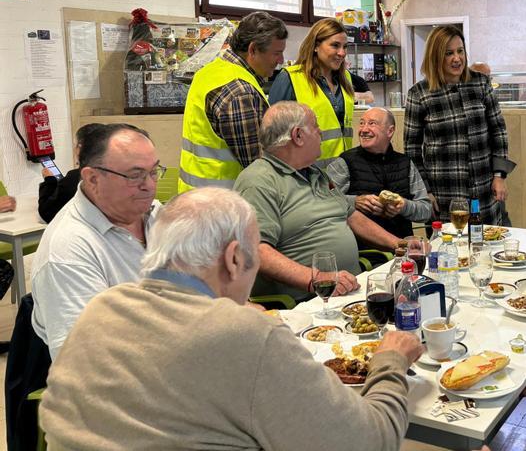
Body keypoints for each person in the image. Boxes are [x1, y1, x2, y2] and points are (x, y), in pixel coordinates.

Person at [39, 187, 424, 450]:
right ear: (234, 258)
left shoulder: (101, 309)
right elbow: (368, 442)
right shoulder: (247, 335)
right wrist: (390, 362)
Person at [234, 102, 401, 301]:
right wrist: (319, 280)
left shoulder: (315, 173)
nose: (320, 132)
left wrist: (399, 244)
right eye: (315, 127)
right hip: (307, 300)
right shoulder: (258, 181)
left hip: (351, 288)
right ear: (297, 136)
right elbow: (257, 251)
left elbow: (351, 216)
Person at [31, 124, 162, 359]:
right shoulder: (68, 250)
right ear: (92, 179)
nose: (150, 185)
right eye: (135, 176)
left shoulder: (154, 213)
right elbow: (86, 361)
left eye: (153, 172)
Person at [404, 26, 514, 224]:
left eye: (460, 51)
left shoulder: (481, 83)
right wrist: (424, 191)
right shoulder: (419, 94)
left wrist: (500, 176)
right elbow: (411, 150)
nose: (457, 58)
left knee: (489, 243)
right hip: (444, 192)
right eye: (449, 53)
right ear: (436, 56)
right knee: (450, 249)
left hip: (484, 187)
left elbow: (499, 131)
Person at [178, 11, 288, 192]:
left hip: (195, 199)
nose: (281, 61)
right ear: (253, 49)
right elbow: (258, 169)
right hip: (224, 206)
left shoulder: (209, 72)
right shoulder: (240, 92)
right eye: (277, 53)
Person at [326, 107, 432, 240]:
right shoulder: (344, 162)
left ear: (390, 131)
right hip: (363, 253)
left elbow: (426, 211)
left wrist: (403, 206)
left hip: (402, 250)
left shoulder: (405, 163)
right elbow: (323, 203)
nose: (364, 130)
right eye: (362, 123)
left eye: (372, 123)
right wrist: (354, 202)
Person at [269, 18, 354, 167]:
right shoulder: (291, 78)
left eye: (345, 47)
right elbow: (273, 137)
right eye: (335, 45)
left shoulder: (345, 79)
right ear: (315, 46)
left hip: (342, 175)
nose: (342, 53)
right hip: (306, 176)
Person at [38, 123, 106, 223]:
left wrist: (49, 180)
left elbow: (47, 213)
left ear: (80, 147)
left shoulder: (76, 178)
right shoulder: (116, 175)